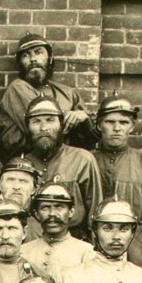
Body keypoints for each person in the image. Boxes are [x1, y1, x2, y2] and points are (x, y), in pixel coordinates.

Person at [0, 33, 87, 160]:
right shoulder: (17, 88)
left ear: (50, 58)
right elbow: (42, 121)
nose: (33, 59)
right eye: (26, 55)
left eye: (38, 53)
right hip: (23, 164)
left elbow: (90, 137)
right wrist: (72, 118)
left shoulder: (68, 92)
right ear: (20, 63)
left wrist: (84, 117)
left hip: (64, 163)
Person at [21, 97, 101, 235]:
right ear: (27, 127)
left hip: (74, 241)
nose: (44, 128)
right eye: (36, 121)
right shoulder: (21, 164)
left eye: (50, 120)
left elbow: (95, 211)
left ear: (61, 125)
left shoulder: (82, 159)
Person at [20, 182, 93, 282]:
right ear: (37, 213)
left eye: (59, 207)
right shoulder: (23, 252)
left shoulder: (87, 253)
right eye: (45, 207)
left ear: (71, 212)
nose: (52, 214)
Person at [93, 96, 142, 202]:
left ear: (132, 127)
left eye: (123, 122)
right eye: (109, 122)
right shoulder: (87, 161)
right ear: (99, 125)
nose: (117, 128)